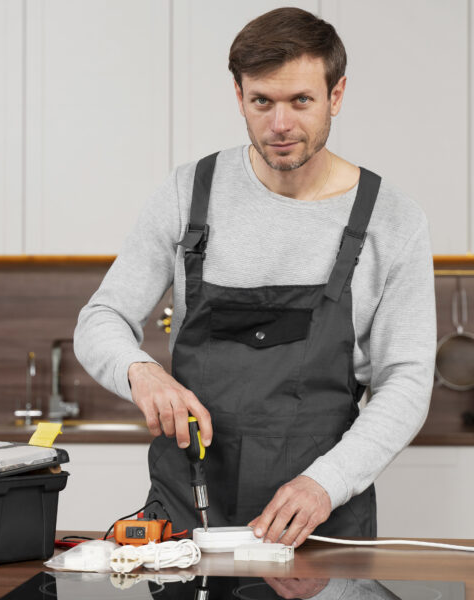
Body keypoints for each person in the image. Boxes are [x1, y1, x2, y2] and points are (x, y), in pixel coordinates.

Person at [74, 7, 436, 548]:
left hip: (319, 517)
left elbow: (406, 381)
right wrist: (141, 372)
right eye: (262, 101)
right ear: (239, 96)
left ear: (336, 95)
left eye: (301, 101)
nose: (280, 124)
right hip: (187, 508)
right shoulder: (188, 192)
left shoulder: (393, 219)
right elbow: (101, 318)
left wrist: (327, 483)